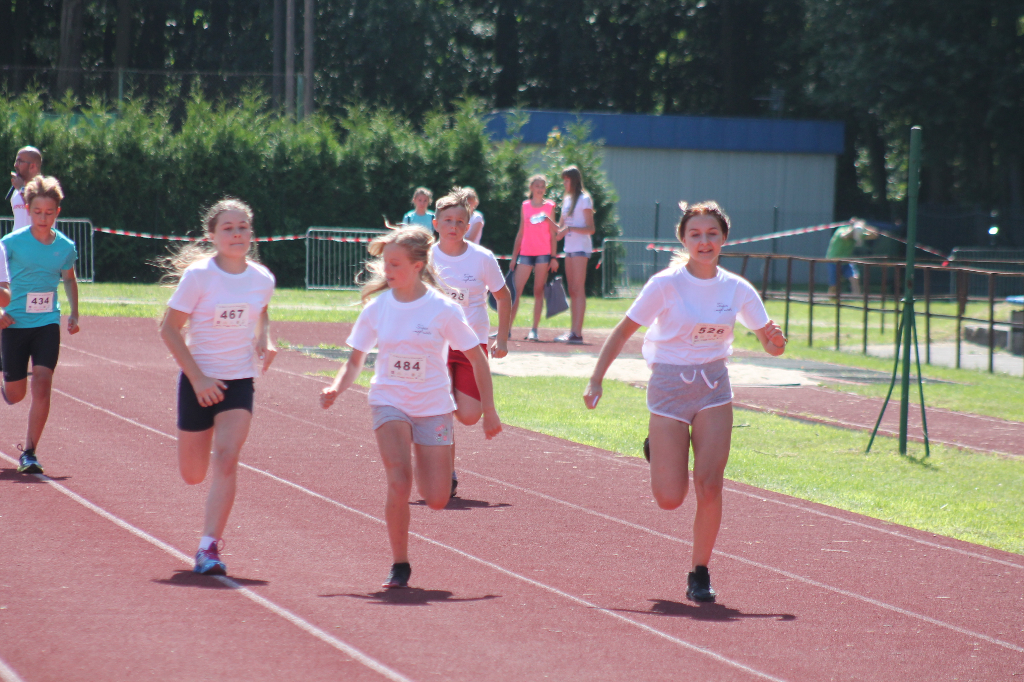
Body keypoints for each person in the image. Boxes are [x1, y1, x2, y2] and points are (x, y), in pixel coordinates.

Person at [583, 201, 786, 603]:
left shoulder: (737, 289)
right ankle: (659, 449)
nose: (704, 241)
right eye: (695, 234)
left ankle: (700, 572)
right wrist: (596, 379)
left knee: (709, 485)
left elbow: (771, 343)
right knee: (669, 498)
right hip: (670, 388)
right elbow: (623, 331)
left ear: (723, 239)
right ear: (683, 239)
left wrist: (775, 341)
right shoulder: (665, 284)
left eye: (712, 234)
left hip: (714, 387)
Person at [320, 226, 502, 589]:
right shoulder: (377, 308)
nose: (386, 270)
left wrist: (491, 411)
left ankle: (425, 452)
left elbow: (477, 358)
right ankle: (399, 563)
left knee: (436, 498)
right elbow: (354, 361)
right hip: (389, 400)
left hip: (433, 406)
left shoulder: (443, 309)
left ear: (418, 266)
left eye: (395, 264)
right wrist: (336, 387)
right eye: (385, 263)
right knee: (399, 481)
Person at [158, 198, 277, 576]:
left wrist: (265, 337)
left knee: (226, 457)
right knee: (193, 474)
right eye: (228, 228)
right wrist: (198, 379)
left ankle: (208, 547)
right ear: (212, 235)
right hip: (198, 380)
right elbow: (168, 329)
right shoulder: (199, 277)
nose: (237, 233)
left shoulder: (263, 278)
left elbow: (261, 311)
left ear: (251, 233)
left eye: (243, 227)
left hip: (238, 380)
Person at [430, 188, 511, 497]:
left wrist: (501, 338)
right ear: (436, 224)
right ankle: (445, 472)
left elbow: (503, 297)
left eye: (460, 221)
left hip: (472, 344)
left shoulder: (482, 258)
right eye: (447, 220)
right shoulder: (425, 256)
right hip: (435, 345)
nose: (453, 226)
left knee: (468, 415)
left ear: (468, 225)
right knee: (440, 410)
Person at [0, 176, 79, 475]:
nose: (43, 218)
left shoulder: (65, 246)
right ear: (27, 210)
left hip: (47, 322)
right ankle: (7, 383)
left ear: (57, 212)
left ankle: (30, 452)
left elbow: (69, 278)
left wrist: (74, 312)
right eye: (37, 212)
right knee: (16, 395)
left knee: (43, 383)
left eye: (48, 212)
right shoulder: (10, 244)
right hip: (14, 323)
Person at [509, 175, 559, 341]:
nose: (540, 189)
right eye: (537, 185)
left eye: (542, 186)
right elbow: (521, 232)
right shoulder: (525, 206)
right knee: (515, 291)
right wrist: (514, 257)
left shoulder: (550, 206)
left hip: (543, 254)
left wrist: (554, 257)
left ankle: (534, 330)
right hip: (525, 253)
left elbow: (553, 233)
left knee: (538, 291)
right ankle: (506, 329)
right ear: (531, 187)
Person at [555, 166, 594, 344]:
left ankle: (577, 333)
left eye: (567, 180)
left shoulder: (585, 199)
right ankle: (573, 331)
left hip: (580, 248)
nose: (564, 183)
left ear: (574, 180)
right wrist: (545, 220)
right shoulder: (567, 199)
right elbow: (559, 227)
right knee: (571, 289)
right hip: (569, 248)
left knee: (578, 288)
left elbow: (590, 228)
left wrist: (570, 228)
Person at [826, 222, 873, 296]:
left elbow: (873, 235)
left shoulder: (858, 233)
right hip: (834, 261)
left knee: (855, 278)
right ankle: (830, 297)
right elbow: (844, 236)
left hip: (846, 261)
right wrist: (854, 229)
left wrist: (864, 227)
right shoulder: (842, 230)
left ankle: (856, 298)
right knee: (834, 285)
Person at [9, 146, 43, 230]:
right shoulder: (17, 190)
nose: (15, 165)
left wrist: (21, 189)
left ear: (32, 166)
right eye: (16, 161)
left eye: (19, 162)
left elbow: (37, 210)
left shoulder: (45, 188)